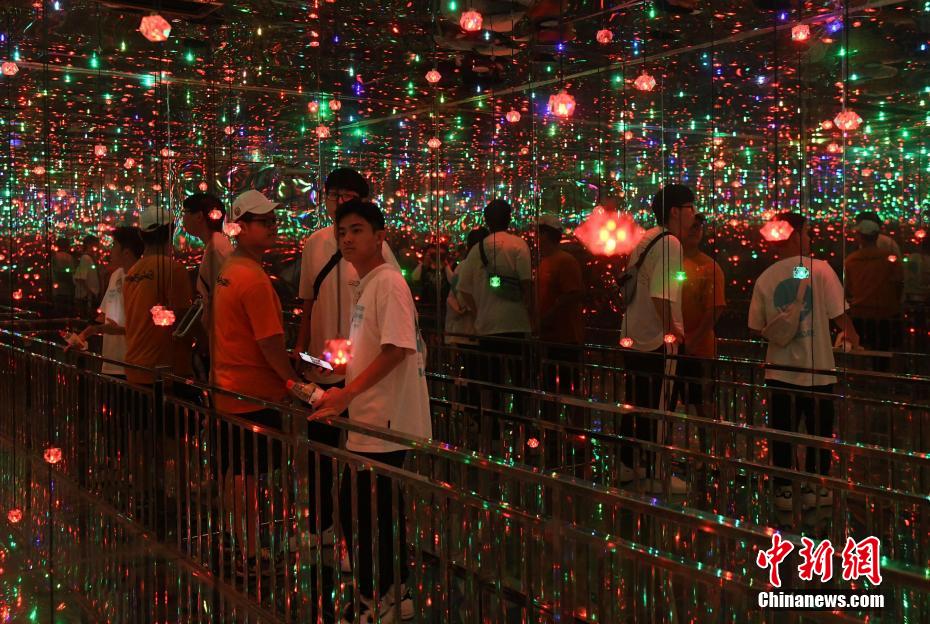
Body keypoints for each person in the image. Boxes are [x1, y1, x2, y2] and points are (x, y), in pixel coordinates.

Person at [314, 199, 430, 624]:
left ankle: (378, 599)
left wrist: (347, 393)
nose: (347, 238)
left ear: (380, 236)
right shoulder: (369, 283)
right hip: (372, 416)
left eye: (358, 229)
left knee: (364, 511)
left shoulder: (387, 282)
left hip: (384, 421)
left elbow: (398, 348)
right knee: (371, 510)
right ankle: (389, 595)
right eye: (342, 231)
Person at [294, 168, 398, 540]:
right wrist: (302, 346)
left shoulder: (378, 251)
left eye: (347, 195)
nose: (338, 201)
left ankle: (352, 536)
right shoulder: (315, 243)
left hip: (360, 370)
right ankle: (320, 526)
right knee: (320, 451)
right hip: (322, 363)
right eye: (333, 193)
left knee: (359, 455)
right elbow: (309, 298)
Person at [748, 212, 860, 512]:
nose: (810, 240)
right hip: (818, 371)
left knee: (782, 432)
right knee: (819, 433)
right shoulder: (820, 270)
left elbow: (756, 325)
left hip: (779, 370)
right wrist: (854, 340)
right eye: (808, 234)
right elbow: (840, 317)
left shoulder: (765, 276)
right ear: (795, 235)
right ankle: (816, 487)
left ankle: (783, 490)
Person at [212, 190, 300, 570]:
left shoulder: (230, 271)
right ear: (240, 227)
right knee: (253, 479)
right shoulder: (253, 279)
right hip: (255, 395)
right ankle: (251, 549)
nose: (272, 228)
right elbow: (269, 343)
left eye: (273, 221)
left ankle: (238, 540)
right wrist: (293, 382)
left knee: (238, 474)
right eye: (263, 223)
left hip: (228, 388)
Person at [618, 184, 695, 493]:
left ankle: (627, 465)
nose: (694, 214)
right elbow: (661, 295)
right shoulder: (670, 243)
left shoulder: (646, 238)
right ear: (675, 211)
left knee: (636, 402)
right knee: (660, 408)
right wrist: (673, 332)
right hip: (657, 341)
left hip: (634, 336)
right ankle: (656, 472)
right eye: (690, 208)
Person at [457, 199, 534, 391]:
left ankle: (494, 418)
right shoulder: (519, 245)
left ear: (486, 221)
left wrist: (479, 311)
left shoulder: (477, 249)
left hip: (487, 326)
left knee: (492, 382)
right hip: (515, 323)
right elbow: (526, 283)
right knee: (519, 382)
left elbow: (464, 289)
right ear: (509, 219)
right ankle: (519, 418)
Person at [671, 213, 726, 416]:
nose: (695, 230)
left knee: (704, 406)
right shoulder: (670, 263)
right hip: (675, 348)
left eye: (698, 227)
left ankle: (708, 447)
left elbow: (715, 308)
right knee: (669, 403)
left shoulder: (710, 267)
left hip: (698, 350)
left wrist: (693, 341)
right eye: (691, 226)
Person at [76, 227, 144, 377]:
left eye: (114, 246)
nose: (110, 250)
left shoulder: (142, 278)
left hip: (132, 363)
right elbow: (106, 315)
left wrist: (93, 330)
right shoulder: (116, 276)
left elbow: (135, 327)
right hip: (110, 362)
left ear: (126, 252)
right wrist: (81, 335)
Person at [182, 193, 233, 380]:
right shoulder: (217, 245)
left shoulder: (216, 249)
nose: (182, 218)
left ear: (199, 216)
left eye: (185, 212)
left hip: (221, 339)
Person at [536, 213, 584, 395]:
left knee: (568, 389)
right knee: (552, 388)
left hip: (565, 338)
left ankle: (572, 423)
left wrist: (547, 317)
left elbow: (572, 294)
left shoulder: (565, 261)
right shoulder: (545, 262)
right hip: (550, 337)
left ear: (546, 235)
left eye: (538, 233)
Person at [844, 219, 903, 351]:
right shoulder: (889, 259)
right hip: (885, 314)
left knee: (859, 351)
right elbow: (898, 283)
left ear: (859, 237)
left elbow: (847, 287)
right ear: (876, 236)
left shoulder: (851, 260)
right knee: (882, 352)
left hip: (859, 312)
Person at [445, 227, 488, 345]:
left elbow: (454, 290)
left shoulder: (462, 266)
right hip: (472, 328)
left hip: (464, 330)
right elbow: (459, 292)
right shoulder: (474, 266)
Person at [73, 234, 101, 319]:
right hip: (86, 298)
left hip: (88, 297)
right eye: (96, 245)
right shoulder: (86, 258)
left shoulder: (88, 258)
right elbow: (80, 279)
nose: (97, 248)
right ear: (89, 245)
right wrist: (90, 293)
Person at [51, 237, 76, 316]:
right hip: (68, 285)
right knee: (66, 306)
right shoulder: (70, 257)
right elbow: (72, 271)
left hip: (57, 284)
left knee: (58, 306)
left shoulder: (55, 256)